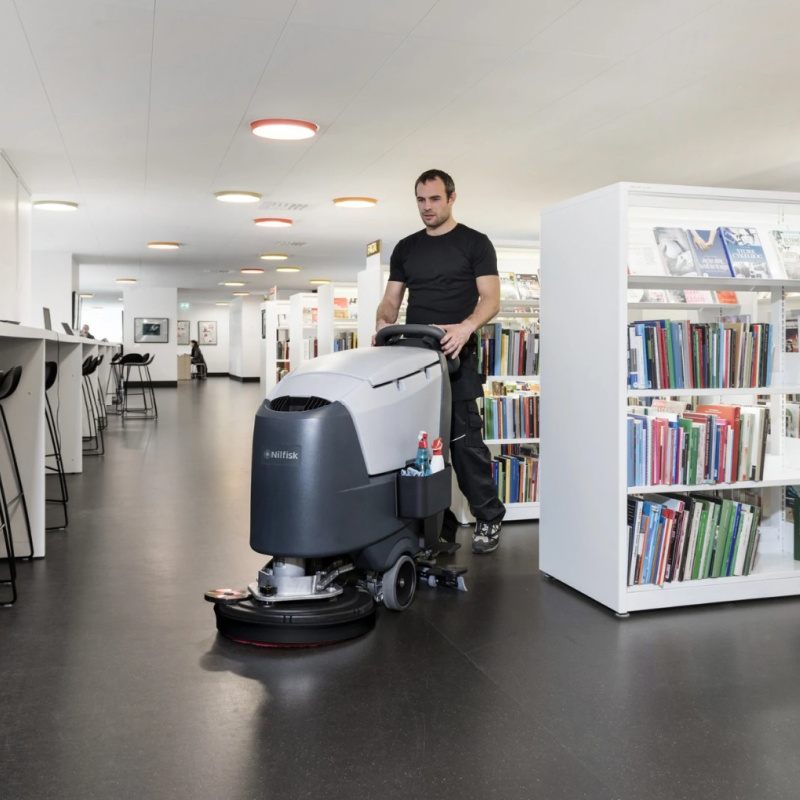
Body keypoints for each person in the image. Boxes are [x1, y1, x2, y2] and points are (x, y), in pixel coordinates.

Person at [375, 169, 506, 554]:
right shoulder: (406, 247)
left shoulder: (475, 243)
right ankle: (427, 520)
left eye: (434, 199)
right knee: (414, 447)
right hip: (412, 358)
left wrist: (465, 328)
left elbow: (491, 299)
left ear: (451, 198)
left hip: (455, 357)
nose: (426, 207)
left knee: (464, 446)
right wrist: (383, 320)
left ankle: (487, 517)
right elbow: (391, 298)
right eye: (420, 200)